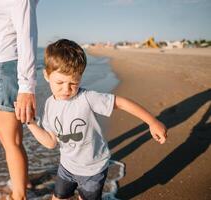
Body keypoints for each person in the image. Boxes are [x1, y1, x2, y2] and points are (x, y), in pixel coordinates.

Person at [23, 39, 167, 200]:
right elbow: (50, 142)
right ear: (46, 75)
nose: (66, 89)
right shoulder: (49, 105)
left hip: (93, 170)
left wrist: (152, 122)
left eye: (73, 83)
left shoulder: (88, 98)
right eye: (60, 82)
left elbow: (122, 103)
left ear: (80, 77)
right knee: (58, 197)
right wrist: (30, 122)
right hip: (66, 167)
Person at [0, 0, 38, 199]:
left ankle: (19, 195)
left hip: (5, 66)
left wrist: (27, 86)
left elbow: (27, 35)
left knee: (10, 138)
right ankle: (22, 181)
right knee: (8, 134)